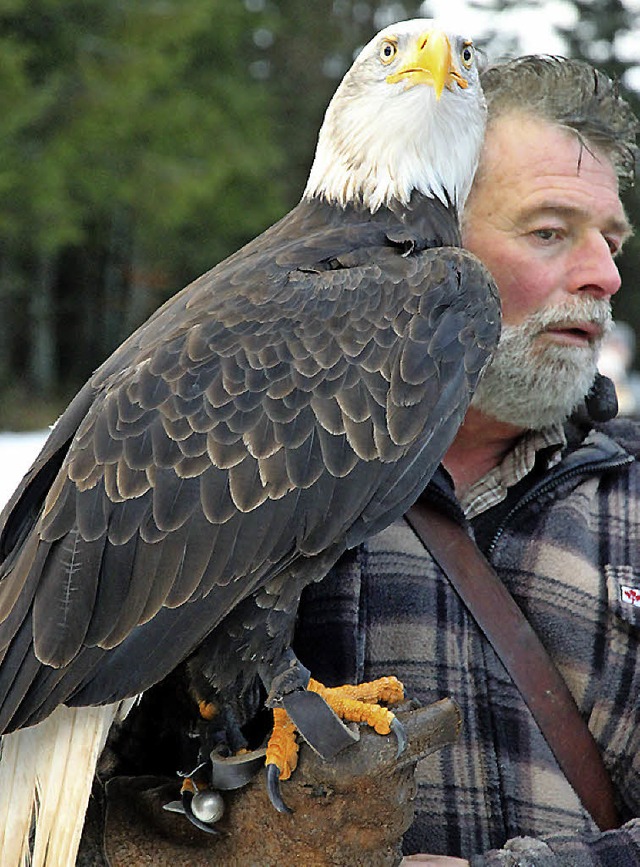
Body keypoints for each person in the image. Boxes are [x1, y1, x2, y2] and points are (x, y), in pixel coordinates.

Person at [294, 55, 640, 865]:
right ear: (424, 243)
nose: (605, 275)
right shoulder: (263, 483)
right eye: (550, 231)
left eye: (612, 240)